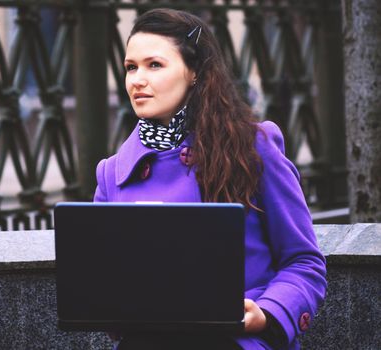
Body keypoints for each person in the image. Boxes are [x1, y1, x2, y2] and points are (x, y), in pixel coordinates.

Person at [94, 8, 326, 350]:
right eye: (131, 67)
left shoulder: (252, 148)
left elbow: (303, 261)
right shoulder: (113, 173)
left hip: (236, 339)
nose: (137, 80)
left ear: (195, 73)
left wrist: (267, 313)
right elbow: (103, 279)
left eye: (154, 65)